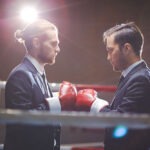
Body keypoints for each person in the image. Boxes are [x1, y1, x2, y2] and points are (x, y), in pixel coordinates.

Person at [4, 19, 77, 150]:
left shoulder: (38, 73)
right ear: (36, 42)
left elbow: (39, 106)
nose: (58, 49)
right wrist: (56, 102)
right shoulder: (20, 75)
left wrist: (59, 100)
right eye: (53, 44)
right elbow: (21, 121)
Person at [75, 22, 150, 150]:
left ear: (126, 48)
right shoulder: (131, 76)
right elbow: (123, 111)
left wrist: (94, 103)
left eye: (110, 50)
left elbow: (120, 119)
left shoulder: (140, 79)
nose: (108, 57)